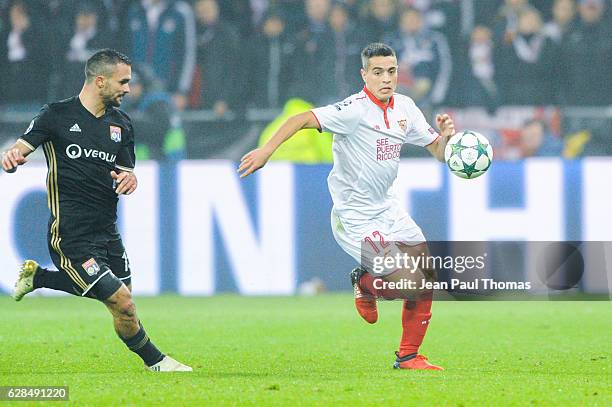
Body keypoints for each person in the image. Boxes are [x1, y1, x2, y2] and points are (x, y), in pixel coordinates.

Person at [239, 43, 456, 370]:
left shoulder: (406, 108)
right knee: (407, 283)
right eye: (378, 72)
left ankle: (409, 356)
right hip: (355, 218)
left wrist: (446, 139)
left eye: (392, 71)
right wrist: (266, 150)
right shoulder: (353, 110)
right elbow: (300, 119)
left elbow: (439, 153)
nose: (386, 79)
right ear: (364, 75)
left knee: (425, 277)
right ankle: (365, 283)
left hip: (388, 209)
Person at [1, 49, 191, 373]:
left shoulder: (122, 124)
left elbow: (125, 170)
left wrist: (130, 178)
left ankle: (39, 277)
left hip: (107, 232)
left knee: (123, 305)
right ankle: (157, 362)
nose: (129, 89)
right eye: (123, 82)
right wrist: (12, 155)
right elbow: (22, 145)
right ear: (100, 80)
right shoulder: (57, 115)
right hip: (71, 235)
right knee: (123, 302)